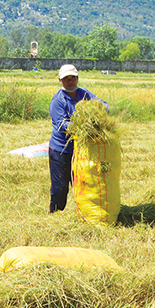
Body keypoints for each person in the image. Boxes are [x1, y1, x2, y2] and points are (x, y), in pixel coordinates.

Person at [48, 64, 106, 213]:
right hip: (61, 151)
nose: (70, 81)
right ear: (60, 81)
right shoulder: (58, 101)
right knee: (60, 187)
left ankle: (84, 213)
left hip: (81, 150)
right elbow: (62, 125)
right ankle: (55, 214)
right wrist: (83, 125)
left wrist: (101, 110)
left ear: (77, 79)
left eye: (72, 78)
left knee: (82, 184)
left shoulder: (84, 94)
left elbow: (103, 105)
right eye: (66, 79)